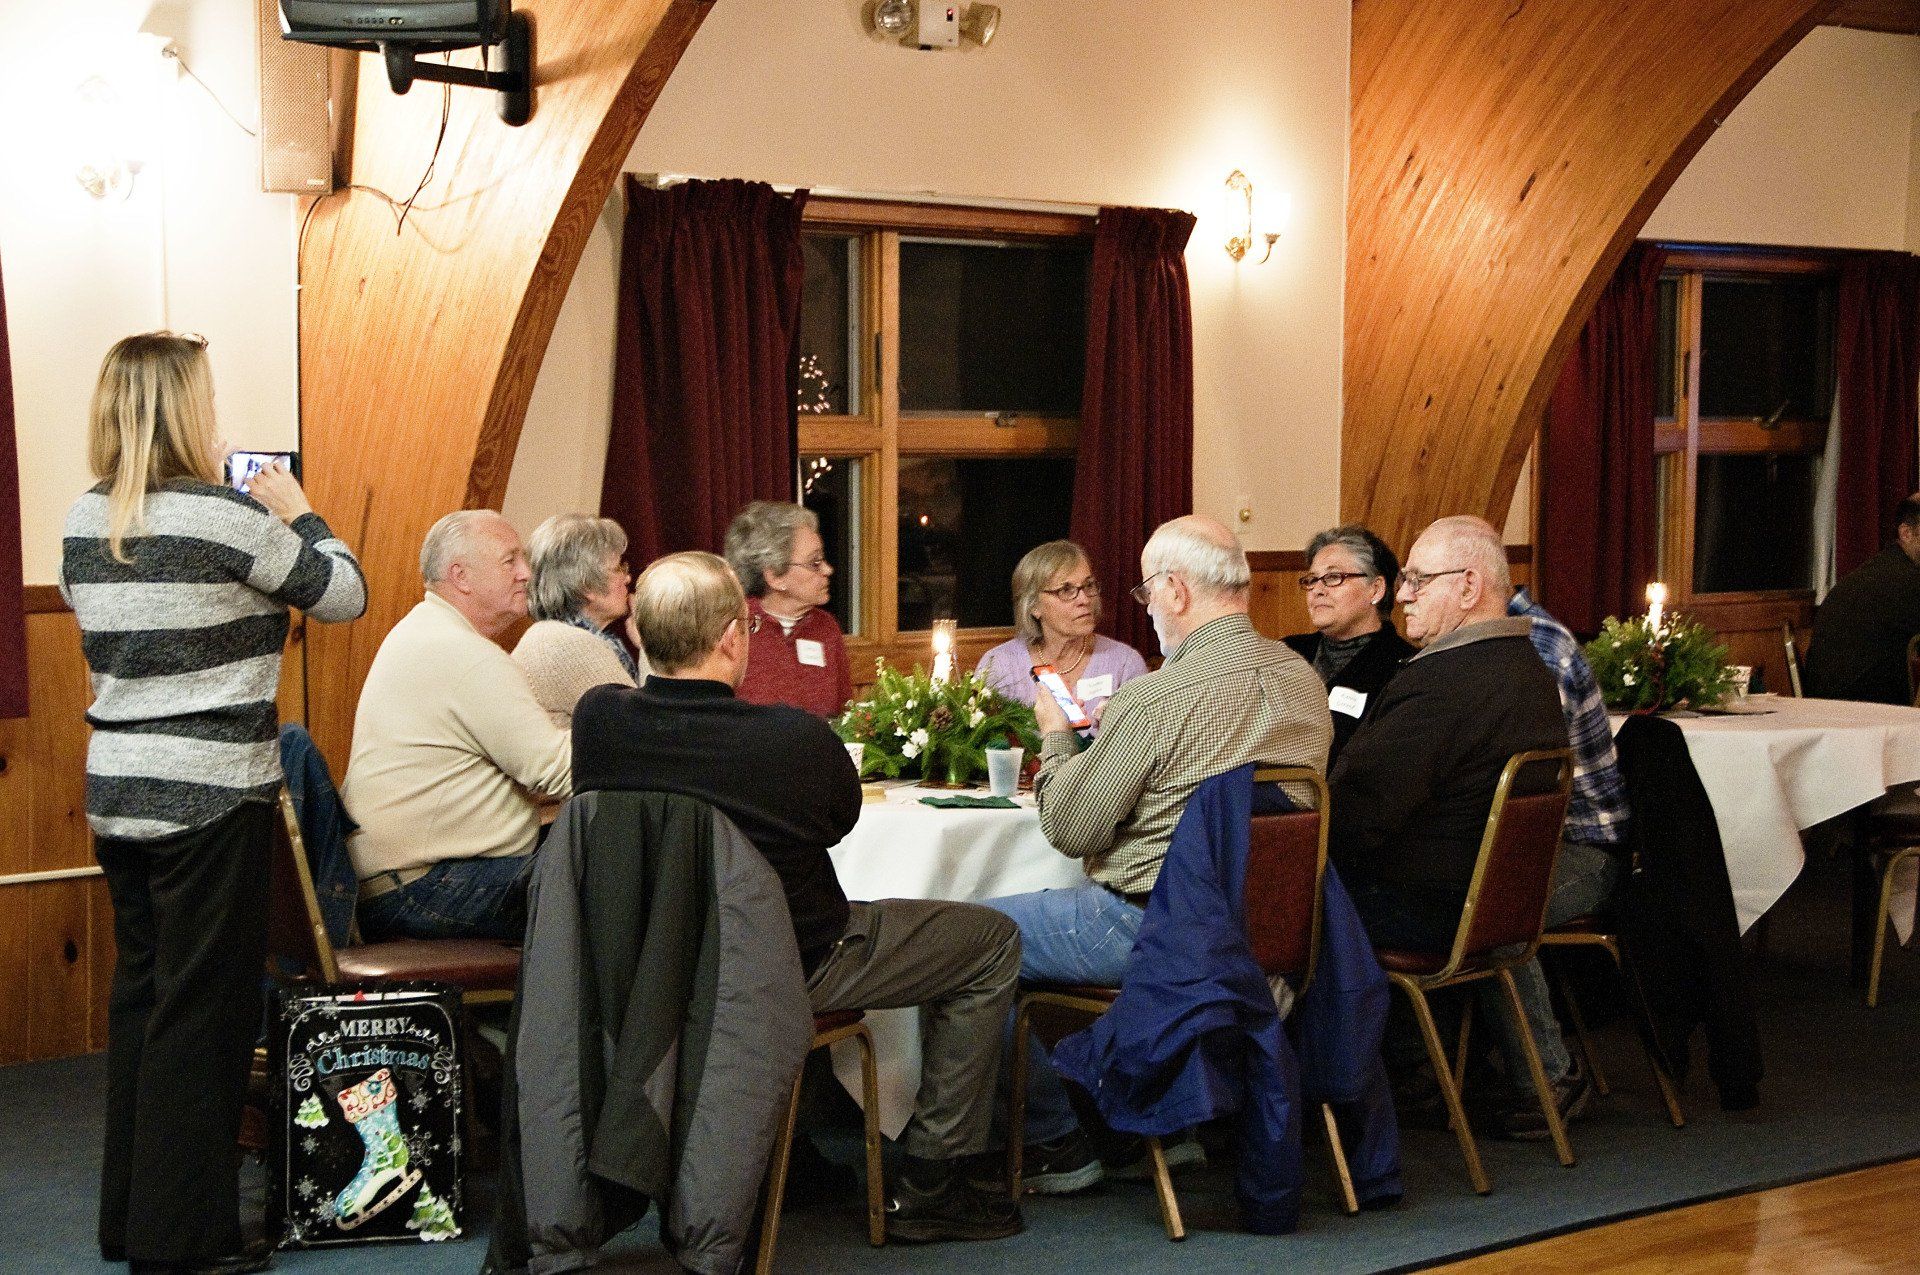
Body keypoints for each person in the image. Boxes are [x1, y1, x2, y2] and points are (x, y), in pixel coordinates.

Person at [572, 552, 1024, 1243]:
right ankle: (936, 1180)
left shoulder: (599, 722)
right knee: (990, 942)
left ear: (638, 633)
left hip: (649, 968)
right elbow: (840, 820)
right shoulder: (788, 740)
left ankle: (800, 1152)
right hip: (786, 965)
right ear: (733, 637)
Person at [63, 331, 367, 1275]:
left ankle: (130, 1219)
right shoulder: (225, 519)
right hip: (210, 794)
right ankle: (183, 1241)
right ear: (186, 410)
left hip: (119, 790)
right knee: (205, 1016)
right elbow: (344, 594)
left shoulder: (84, 517)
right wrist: (303, 513)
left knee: (144, 1001)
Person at [984, 515, 1332, 1192]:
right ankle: (1163, 1127)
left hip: (1159, 928)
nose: (1146, 609)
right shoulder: (1303, 680)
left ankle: (1057, 1140)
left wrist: (1056, 737)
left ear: (1176, 590)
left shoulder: (1154, 698)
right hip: (1276, 930)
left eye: (1147, 593)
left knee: (975, 939)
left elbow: (1073, 829)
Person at [1326, 517, 1574, 1124]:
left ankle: (1312, 1102)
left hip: (1430, 910)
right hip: (1492, 904)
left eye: (1417, 580)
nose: (1403, 595)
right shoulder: (1528, 668)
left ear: (1468, 587)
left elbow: (1354, 817)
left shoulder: (1441, 683)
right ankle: (1405, 1074)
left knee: (1268, 901)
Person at [343, 510, 571, 942]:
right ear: (460, 576)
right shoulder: (464, 653)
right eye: (509, 560)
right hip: (425, 889)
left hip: (396, 885)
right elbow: (558, 770)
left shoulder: (422, 631)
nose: (526, 572)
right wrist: (626, 736)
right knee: (606, 882)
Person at [974, 539, 1148, 728]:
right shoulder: (999, 666)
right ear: (1033, 606)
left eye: (1088, 586)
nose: (1084, 599)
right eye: (1066, 590)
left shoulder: (1125, 664)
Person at [1283, 524, 1414, 764]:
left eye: (1333, 577)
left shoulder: (1405, 667)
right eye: (1312, 579)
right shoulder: (1287, 653)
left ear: (1376, 589)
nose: (1317, 590)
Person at [512, 513, 649, 726]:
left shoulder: (561, 635)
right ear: (586, 585)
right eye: (618, 569)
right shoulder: (565, 643)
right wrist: (650, 644)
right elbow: (643, 727)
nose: (628, 578)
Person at [723, 500, 853, 717]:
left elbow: (845, 715)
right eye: (815, 563)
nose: (828, 570)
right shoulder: (734, 628)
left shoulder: (826, 628)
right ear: (775, 577)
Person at [1807, 494, 1920, 705]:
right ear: (1906, 533)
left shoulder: (1884, 568)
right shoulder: (1903, 580)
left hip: (1829, 703)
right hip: (1858, 710)